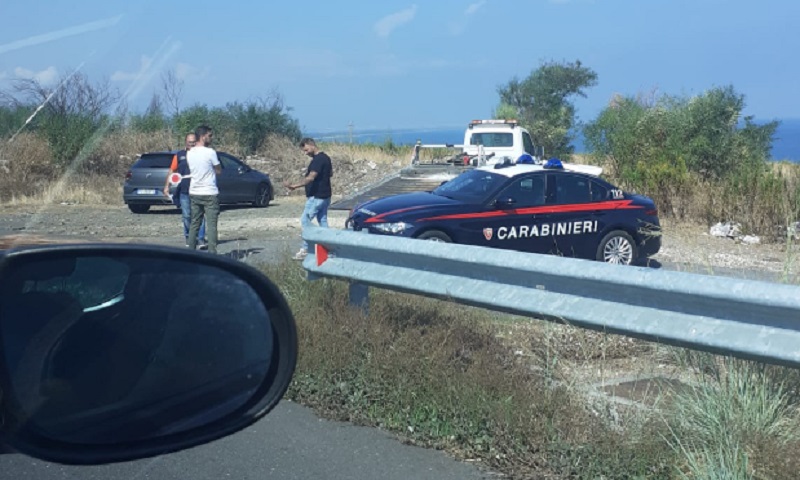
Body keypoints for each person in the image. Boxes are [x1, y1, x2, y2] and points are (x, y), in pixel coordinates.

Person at [284, 138, 333, 260]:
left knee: (305, 221)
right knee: (323, 221)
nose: (305, 153)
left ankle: (306, 249)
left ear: (312, 145)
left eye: (306, 149)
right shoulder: (326, 158)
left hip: (317, 197)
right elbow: (331, 173)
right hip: (325, 196)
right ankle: (328, 248)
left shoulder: (318, 160)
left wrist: (294, 186)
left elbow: (311, 178)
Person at [163, 133, 207, 249]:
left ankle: (201, 239)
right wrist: (167, 186)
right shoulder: (179, 155)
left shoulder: (202, 154)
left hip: (199, 189)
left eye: (193, 142)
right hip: (184, 191)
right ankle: (189, 237)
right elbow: (171, 171)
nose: (191, 144)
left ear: (196, 142)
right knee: (187, 216)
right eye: (189, 142)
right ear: (185, 142)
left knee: (200, 215)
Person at [186, 126, 222, 254]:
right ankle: (212, 254)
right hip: (209, 192)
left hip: (195, 191)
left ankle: (190, 252)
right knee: (211, 225)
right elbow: (218, 170)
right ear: (203, 136)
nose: (211, 138)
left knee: (194, 223)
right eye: (209, 135)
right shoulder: (210, 152)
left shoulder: (189, 153)